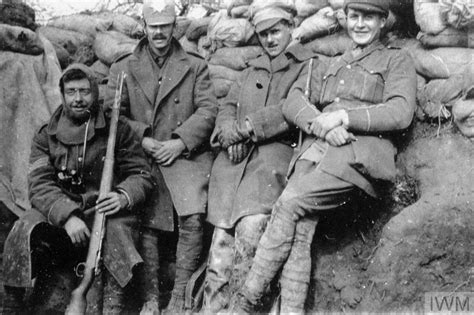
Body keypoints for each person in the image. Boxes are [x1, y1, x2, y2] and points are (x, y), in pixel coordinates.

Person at [234, 0, 417, 313]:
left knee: (289, 205)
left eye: (368, 18)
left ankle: (245, 302)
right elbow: (294, 101)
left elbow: (400, 112)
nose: (360, 24)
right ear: (344, 19)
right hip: (317, 150)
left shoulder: (396, 60)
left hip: (357, 157)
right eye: (354, 17)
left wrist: (343, 117)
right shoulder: (330, 60)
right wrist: (320, 126)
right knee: (300, 227)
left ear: (382, 21)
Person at [2, 63, 154, 314]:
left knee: (118, 232)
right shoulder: (46, 134)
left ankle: (110, 304)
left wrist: (123, 196)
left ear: (95, 92)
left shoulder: (118, 129)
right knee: (23, 228)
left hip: (103, 210)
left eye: (85, 91)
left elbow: (141, 174)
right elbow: (39, 183)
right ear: (61, 95)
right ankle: (13, 303)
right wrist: (68, 215)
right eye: (71, 92)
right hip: (63, 213)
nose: (78, 99)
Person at [203, 2, 325, 313]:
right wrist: (228, 129)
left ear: (291, 26)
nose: (270, 40)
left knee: (251, 230)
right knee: (220, 239)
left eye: (276, 32)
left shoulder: (307, 65)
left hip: (274, 163)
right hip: (235, 166)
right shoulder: (250, 68)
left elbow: (292, 108)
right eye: (263, 35)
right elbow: (228, 105)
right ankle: (214, 307)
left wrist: (246, 129)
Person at [105, 0, 218, 313]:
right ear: (143, 26)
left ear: (174, 26)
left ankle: (180, 295)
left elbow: (209, 109)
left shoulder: (195, 65)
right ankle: (151, 299)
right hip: (142, 155)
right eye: (153, 26)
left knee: (193, 214)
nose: (158, 32)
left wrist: (180, 143)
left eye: (165, 26)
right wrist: (143, 138)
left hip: (184, 155)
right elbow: (113, 113)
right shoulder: (123, 66)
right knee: (147, 218)